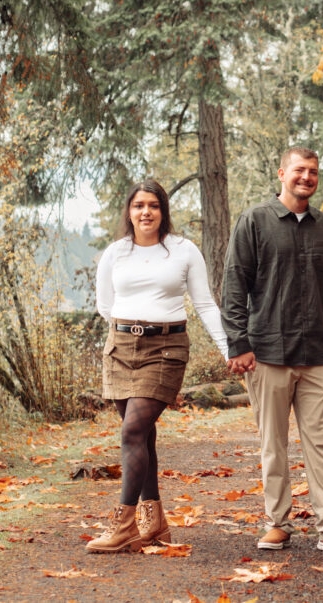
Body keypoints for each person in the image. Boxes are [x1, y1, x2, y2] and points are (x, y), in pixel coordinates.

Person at [221, 148, 323, 553]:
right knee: (273, 443)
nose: (306, 177)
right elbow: (234, 285)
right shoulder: (254, 221)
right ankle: (277, 523)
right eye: (299, 170)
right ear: (282, 174)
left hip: (317, 356)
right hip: (267, 353)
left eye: (312, 171)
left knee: (320, 444)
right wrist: (238, 344)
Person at [90, 179, 229, 553]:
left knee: (133, 430)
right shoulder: (115, 253)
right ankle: (155, 523)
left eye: (153, 205)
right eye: (138, 206)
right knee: (142, 434)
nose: (146, 212)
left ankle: (123, 525)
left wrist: (229, 350)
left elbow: (204, 305)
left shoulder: (183, 251)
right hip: (120, 347)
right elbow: (105, 304)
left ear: (163, 211)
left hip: (166, 348)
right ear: (129, 212)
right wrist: (129, 324)